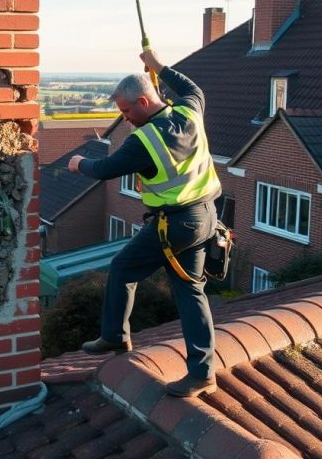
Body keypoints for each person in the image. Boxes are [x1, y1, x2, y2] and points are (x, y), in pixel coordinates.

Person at [67, 49, 222, 398]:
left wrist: (79, 163)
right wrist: (159, 66)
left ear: (142, 101)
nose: (124, 119)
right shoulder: (190, 110)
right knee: (191, 292)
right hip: (206, 217)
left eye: (125, 111)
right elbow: (192, 87)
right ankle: (201, 372)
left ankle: (116, 337)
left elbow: (104, 170)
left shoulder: (145, 141)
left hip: (176, 224)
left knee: (122, 268)